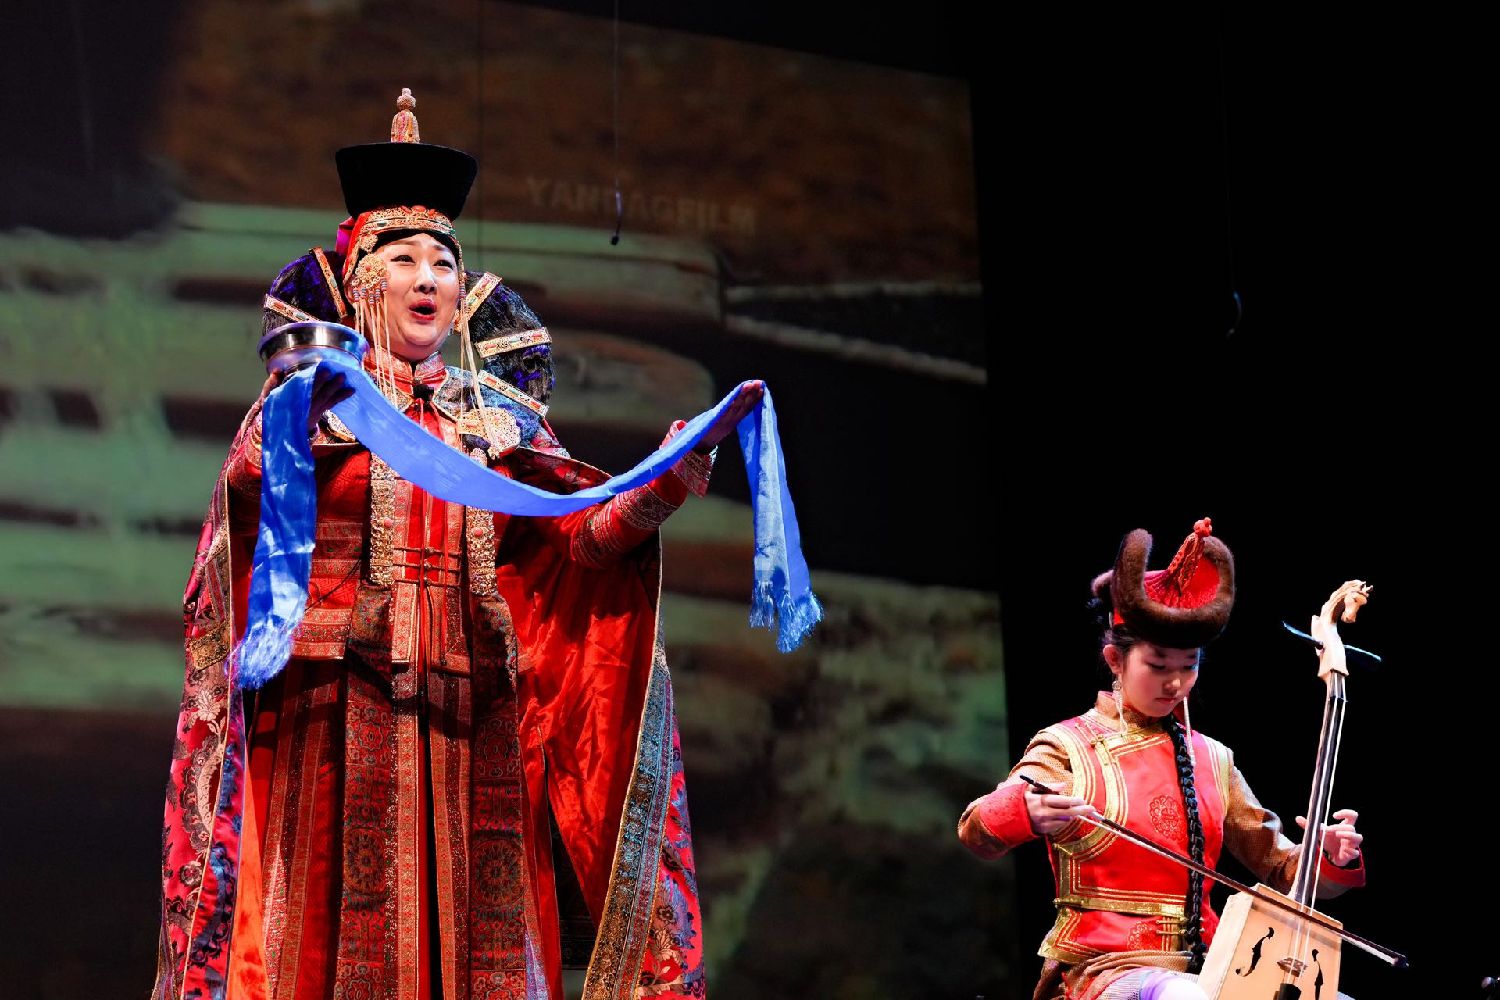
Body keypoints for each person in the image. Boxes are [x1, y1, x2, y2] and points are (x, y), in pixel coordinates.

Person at [154, 88, 761, 1000]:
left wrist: (669, 475)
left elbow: (582, 542)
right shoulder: (307, 406)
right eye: (404, 259)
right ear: (363, 282)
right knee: (317, 940)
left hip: (476, 710)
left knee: (485, 943)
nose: (429, 276)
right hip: (336, 704)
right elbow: (246, 506)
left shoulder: (498, 421)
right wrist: (297, 422)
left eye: (444, 260)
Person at [957, 519, 1366, 1000]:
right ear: (1115, 660)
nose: (1175, 683)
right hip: (1106, 968)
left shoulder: (1213, 758)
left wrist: (1327, 855)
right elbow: (976, 830)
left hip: (1212, 962)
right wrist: (1024, 810)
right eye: (1157, 666)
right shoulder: (1068, 745)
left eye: (1189, 666)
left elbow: (1281, 869)